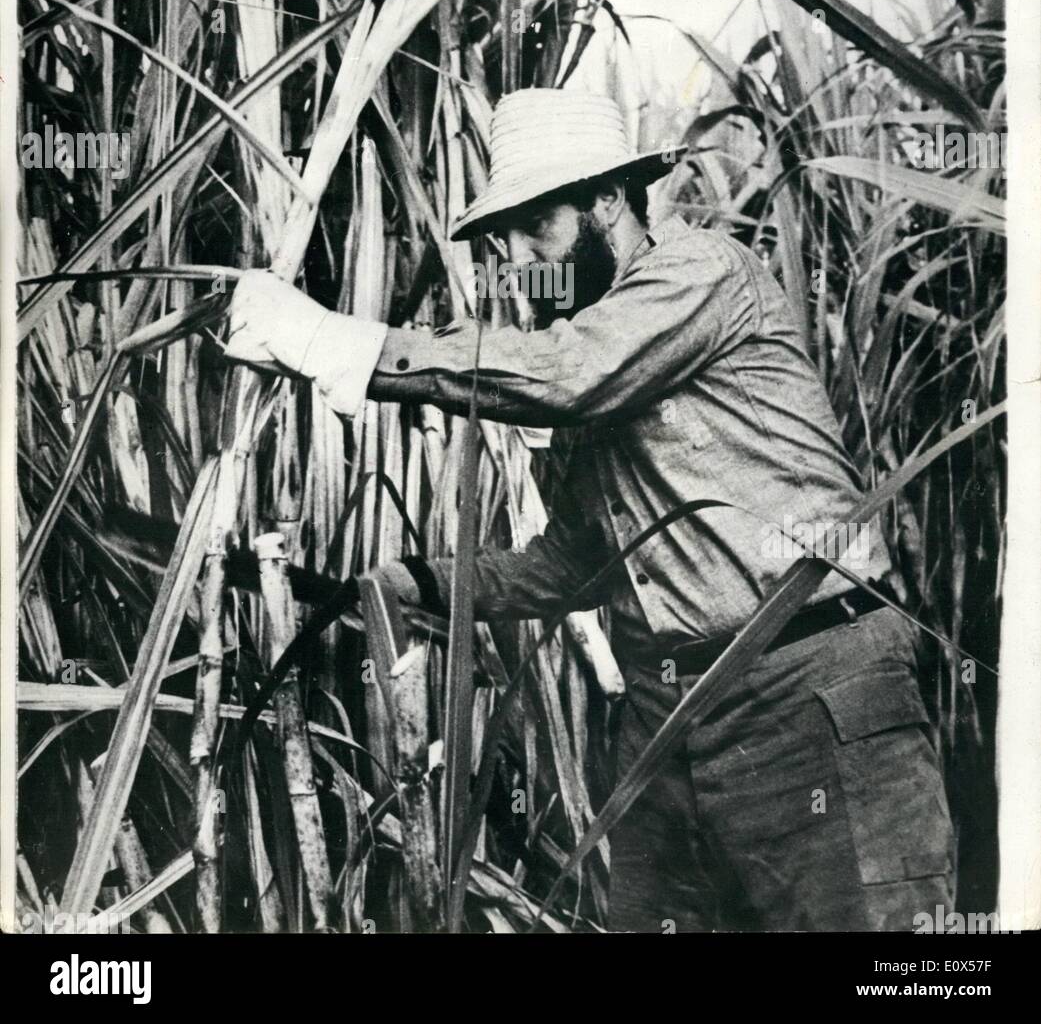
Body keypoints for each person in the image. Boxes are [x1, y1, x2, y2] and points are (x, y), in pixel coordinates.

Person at [226, 86, 955, 932]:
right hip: (670, 720)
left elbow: (571, 375)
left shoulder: (700, 274)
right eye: (502, 238)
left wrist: (331, 342)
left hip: (807, 686)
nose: (516, 255)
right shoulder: (592, 352)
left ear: (609, 197)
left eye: (537, 223)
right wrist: (416, 582)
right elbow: (579, 562)